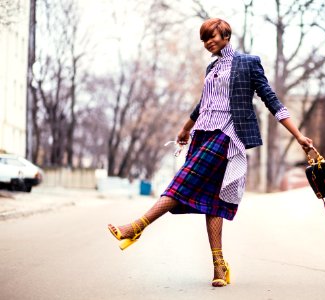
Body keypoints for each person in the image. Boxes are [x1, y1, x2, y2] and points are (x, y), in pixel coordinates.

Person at [108, 18, 313, 287]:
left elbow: (271, 100)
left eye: (212, 36)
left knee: (182, 182)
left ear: (226, 34)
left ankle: (137, 227)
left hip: (227, 134)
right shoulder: (212, 66)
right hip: (203, 133)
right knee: (213, 201)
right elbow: (203, 104)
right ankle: (220, 267)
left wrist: (298, 136)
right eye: (204, 39)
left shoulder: (248, 63)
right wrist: (185, 130)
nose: (208, 43)